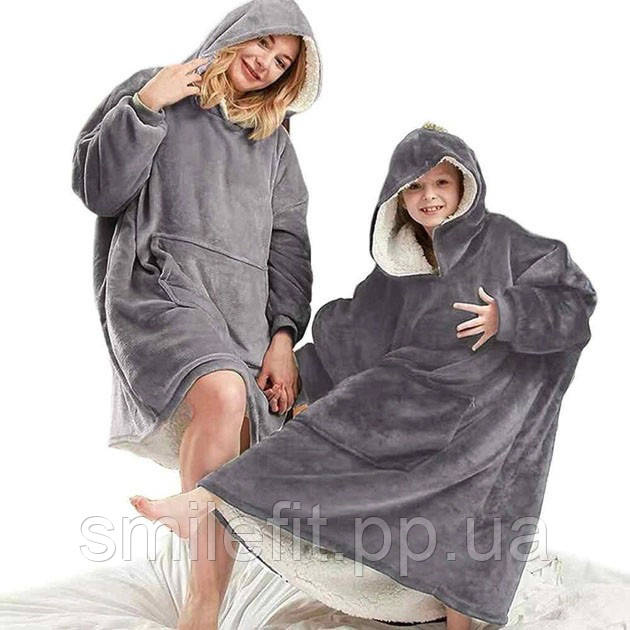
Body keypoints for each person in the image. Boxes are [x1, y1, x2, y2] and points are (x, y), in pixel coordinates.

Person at [130, 121, 597, 628]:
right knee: (327, 423)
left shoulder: (506, 241)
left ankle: (459, 621)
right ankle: (207, 499)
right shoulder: (402, 264)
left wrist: (508, 314)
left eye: (441, 183)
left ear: (465, 184)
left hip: (487, 401)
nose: (429, 197)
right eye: (415, 187)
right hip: (409, 395)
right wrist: (302, 375)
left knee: (473, 516)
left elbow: (573, 301)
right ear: (398, 197)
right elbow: (356, 331)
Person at [70, 0, 322, 627]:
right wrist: (145, 106)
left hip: (241, 312)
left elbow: (289, 245)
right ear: (236, 34)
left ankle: (202, 604)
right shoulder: (158, 90)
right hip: (160, 286)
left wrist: (283, 336)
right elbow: (98, 190)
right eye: (261, 44)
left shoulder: (276, 146)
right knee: (223, 392)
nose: (265, 63)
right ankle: (203, 593)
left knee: (247, 434)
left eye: (282, 62)